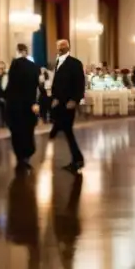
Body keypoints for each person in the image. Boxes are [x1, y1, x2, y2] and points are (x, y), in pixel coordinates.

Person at [49, 39, 87, 172]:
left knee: (67, 130)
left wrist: (75, 100)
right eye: (58, 46)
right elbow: (57, 82)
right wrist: (54, 98)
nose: (59, 48)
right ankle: (77, 159)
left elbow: (80, 83)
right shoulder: (58, 62)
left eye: (62, 46)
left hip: (69, 103)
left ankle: (78, 159)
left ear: (67, 47)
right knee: (66, 129)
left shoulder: (75, 63)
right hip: (59, 103)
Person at [4, 43, 41, 170]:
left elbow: (10, 86)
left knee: (17, 131)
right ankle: (28, 153)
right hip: (29, 103)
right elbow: (38, 87)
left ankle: (21, 157)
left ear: (17, 51)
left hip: (15, 104)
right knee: (28, 130)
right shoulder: (35, 67)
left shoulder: (15, 65)